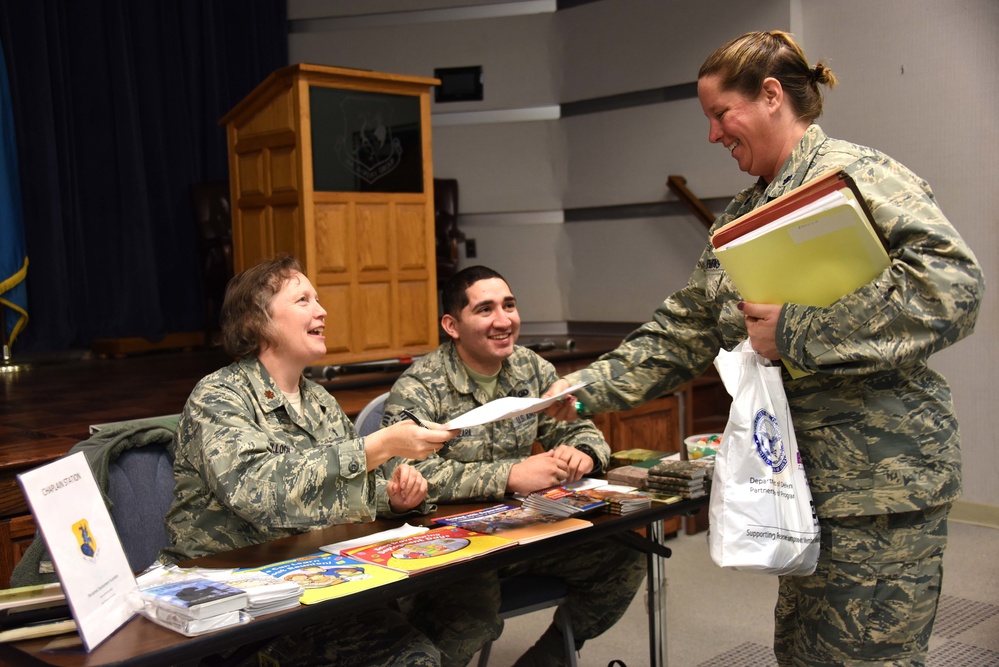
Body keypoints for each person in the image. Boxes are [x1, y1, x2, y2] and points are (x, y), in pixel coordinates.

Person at [544, 30, 984, 667]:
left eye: (722, 114)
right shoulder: (742, 219)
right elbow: (684, 329)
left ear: (771, 96)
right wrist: (586, 389)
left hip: (881, 487)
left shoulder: (858, 176)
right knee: (803, 654)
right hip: (801, 487)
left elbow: (952, 286)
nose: (714, 135)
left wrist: (798, 331)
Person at [162, 254, 453, 667]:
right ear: (257, 322)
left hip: (311, 582)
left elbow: (346, 489)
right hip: (236, 604)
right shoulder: (220, 396)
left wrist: (397, 497)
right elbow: (253, 490)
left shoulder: (319, 400)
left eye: (318, 300)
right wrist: (376, 446)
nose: (322, 311)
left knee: (422, 649)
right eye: (303, 301)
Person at [380, 265, 647, 667]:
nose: (503, 321)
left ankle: (552, 656)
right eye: (485, 309)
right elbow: (402, 476)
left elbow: (581, 429)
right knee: (471, 618)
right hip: (453, 546)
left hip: (522, 533)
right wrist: (509, 475)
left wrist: (583, 452)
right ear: (452, 325)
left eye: (509, 305)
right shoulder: (420, 387)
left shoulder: (530, 367)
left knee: (624, 556)